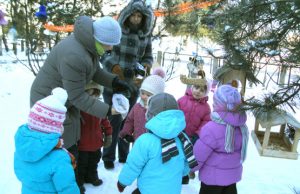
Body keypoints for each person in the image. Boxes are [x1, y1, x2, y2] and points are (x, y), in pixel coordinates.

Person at [30, 15, 131, 188]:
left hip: (64, 98)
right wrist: (108, 110)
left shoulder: (88, 45)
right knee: (64, 145)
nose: (111, 48)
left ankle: (74, 178)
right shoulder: (75, 55)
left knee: (72, 137)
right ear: (99, 39)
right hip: (49, 102)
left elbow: (93, 71)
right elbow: (77, 96)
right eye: (109, 44)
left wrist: (114, 82)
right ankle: (64, 183)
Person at [101, 0, 154, 170]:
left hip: (132, 85)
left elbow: (148, 56)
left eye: (140, 16)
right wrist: (114, 67)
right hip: (113, 82)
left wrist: (145, 67)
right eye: (134, 15)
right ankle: (108, 156)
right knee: (112, 120)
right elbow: (104, 52)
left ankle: (124, 155)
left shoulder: (145, 35)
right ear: (128, 14)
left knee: (127, 121)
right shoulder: (116, 31)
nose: (136, 19)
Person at [117, 93, 197, 194]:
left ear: (150, 116)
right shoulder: (183, 139)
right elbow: (187, 163)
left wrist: (123, 182)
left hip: (147, 190)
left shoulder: (145, 141)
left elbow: (133, 166)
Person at [14, 88, 80, 194]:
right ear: (55, 128)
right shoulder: (59, 158)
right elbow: (68, 189)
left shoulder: (22, 148)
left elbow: (20, 173)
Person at [193, 85, 249, 194]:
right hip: (232, 179)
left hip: (211, 181)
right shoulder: (241, 127)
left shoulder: (211, 129)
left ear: (218, 104)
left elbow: (199, 155)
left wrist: (191, 168)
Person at [77, 81, 113, 193]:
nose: (93, 97)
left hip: (96, 143)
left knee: (94, 162)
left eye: (95, 94)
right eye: (89, 94)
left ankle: (91, 177)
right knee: (81, 165)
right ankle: (79, 182)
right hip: (82, 144)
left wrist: (108, 134)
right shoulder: (79, 109)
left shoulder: (100, 108)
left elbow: (105, 122)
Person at [178, 70, 211, 184]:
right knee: (177, 153)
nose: (198, 91)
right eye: (196, 87)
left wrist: (197, 134)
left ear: (206, 93)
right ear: (192, 87)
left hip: (192, 137)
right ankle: (174, 173)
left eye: (202, 90)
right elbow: (176, 114)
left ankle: (185, 175)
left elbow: (206, 123)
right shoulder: (182, 100)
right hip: (179, 133)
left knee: (188, 156)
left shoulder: (206, 108)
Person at [119, 67, 166, 143]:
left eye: (148, 95)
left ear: (157, 97)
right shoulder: (137, 107)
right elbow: (130, 120)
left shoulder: (159, 111)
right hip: (138, 142)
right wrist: (126, 133)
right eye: (142, 93)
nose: (144, 97)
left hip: (154, 144)